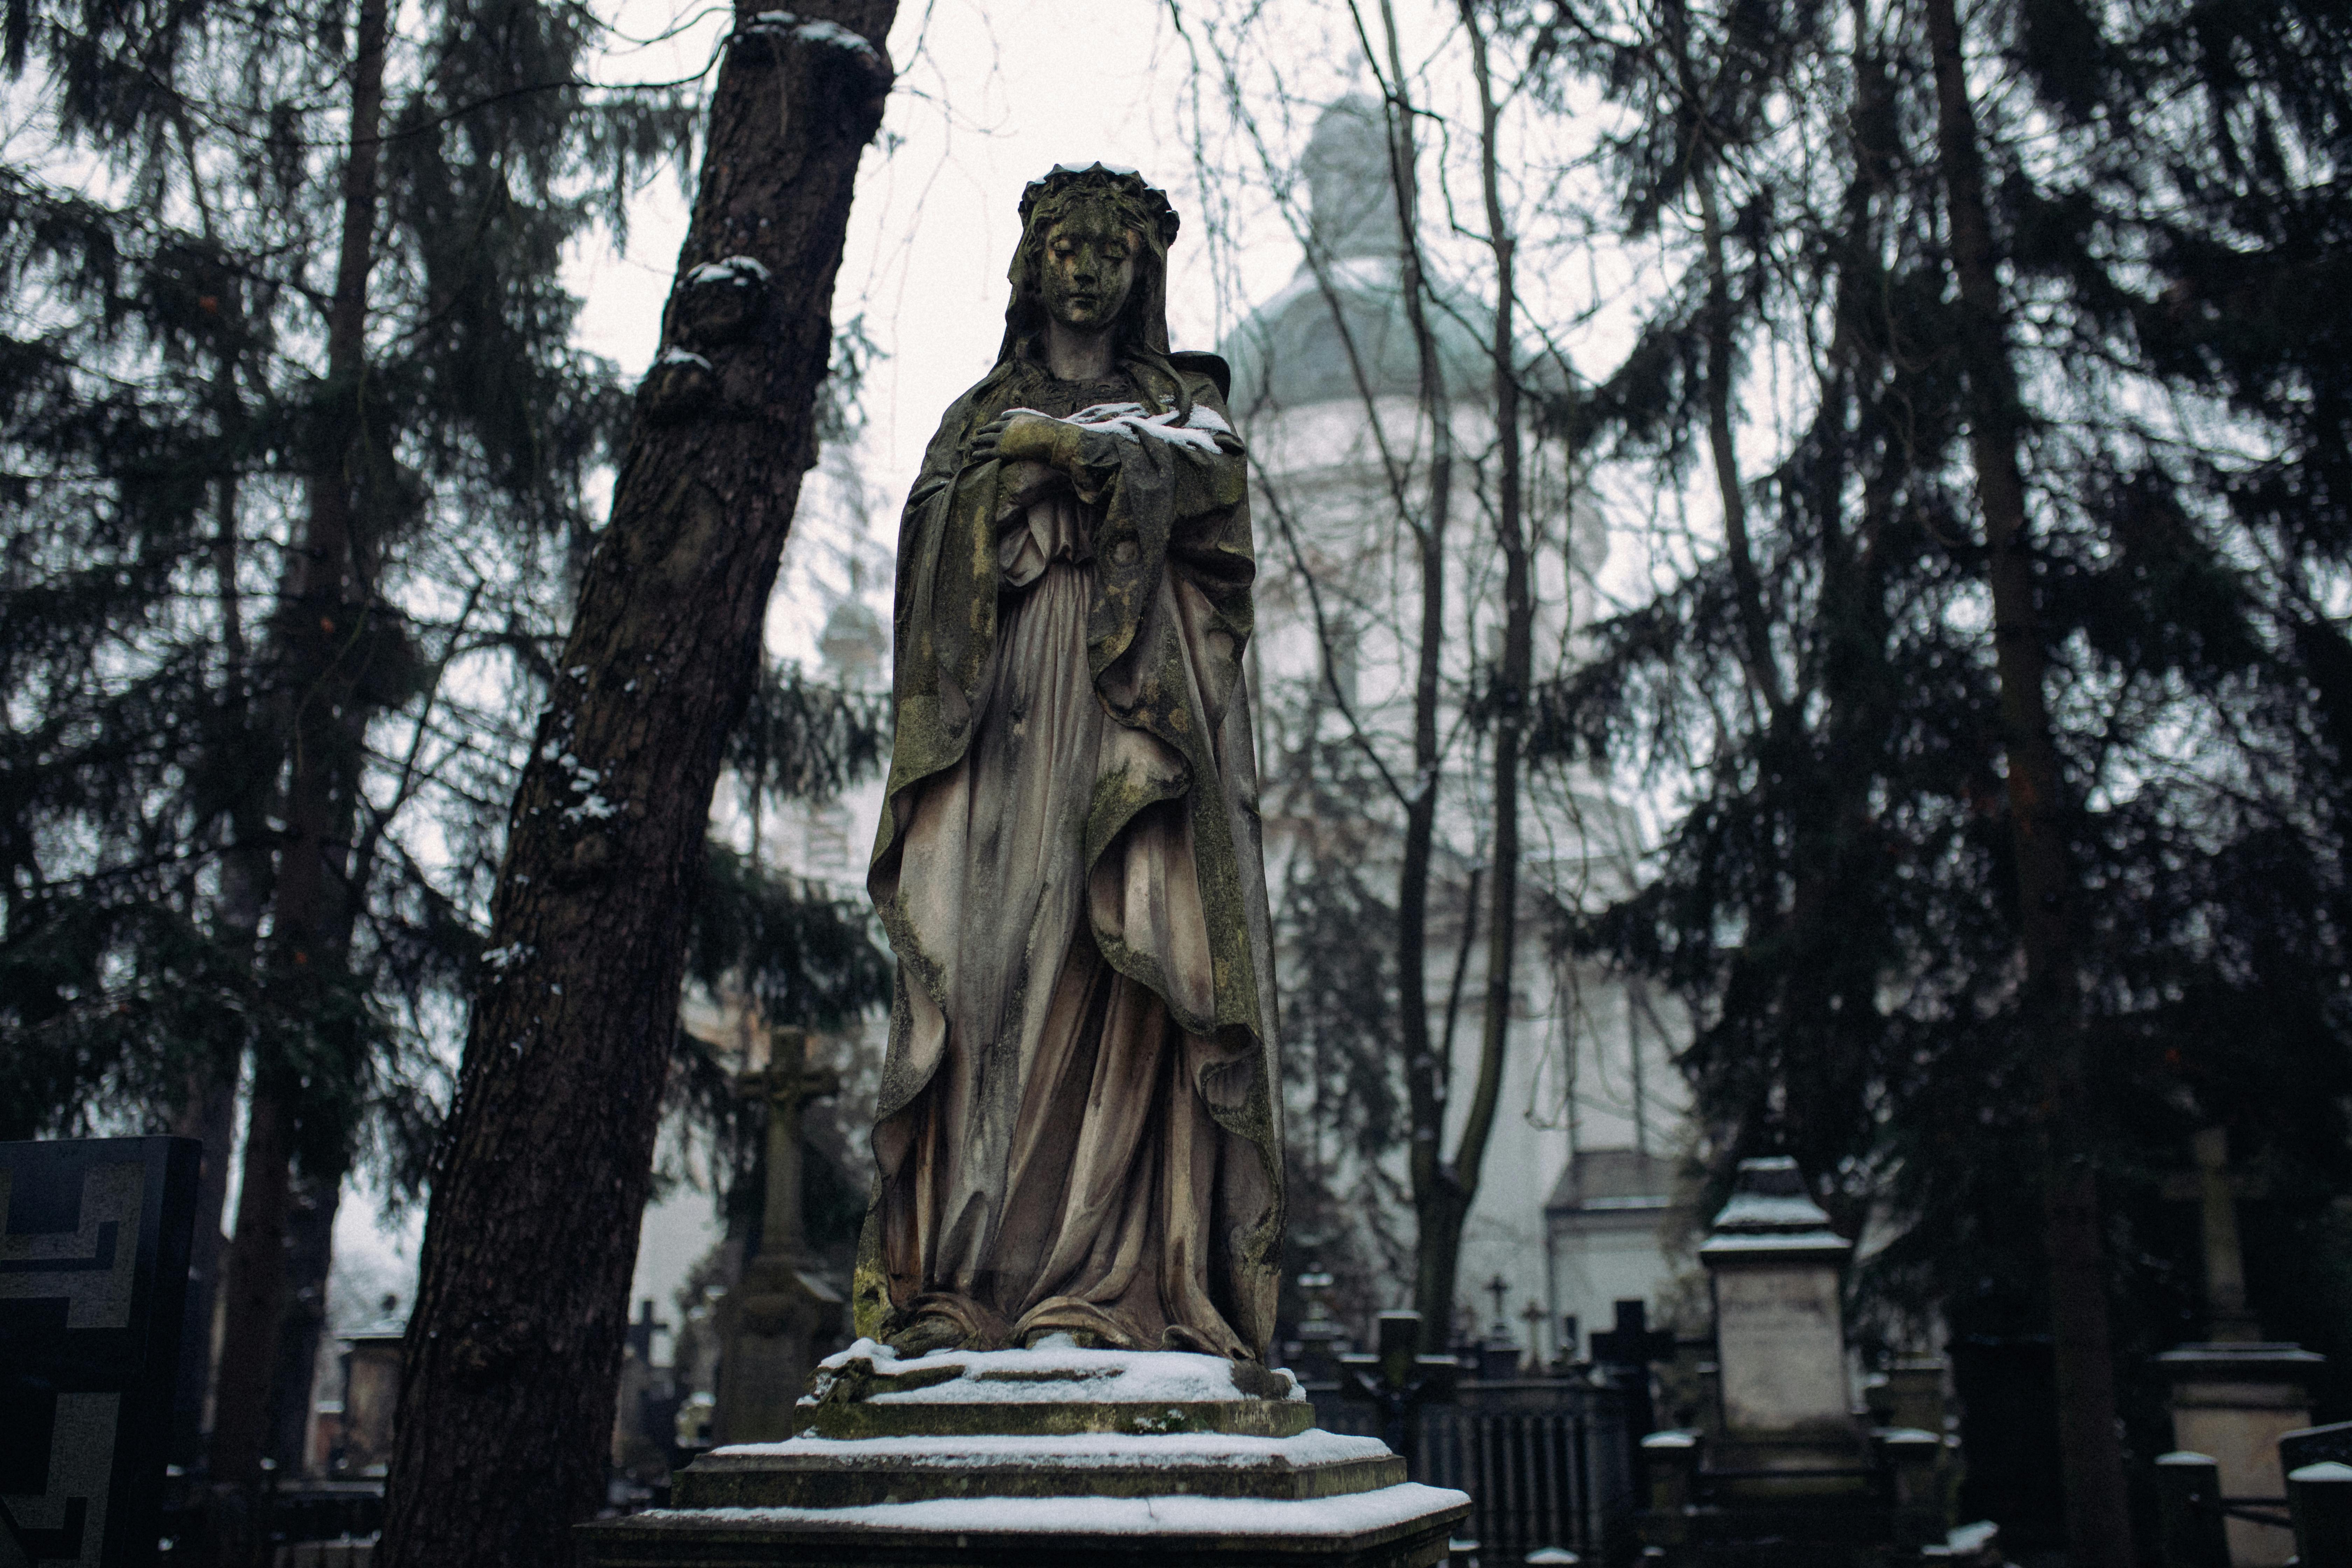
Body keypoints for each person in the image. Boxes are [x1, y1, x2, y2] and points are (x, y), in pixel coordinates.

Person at [854, 164, 1282, 1362]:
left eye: (1111, 251)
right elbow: (930, 555)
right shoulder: (972, 418)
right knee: (991, 984)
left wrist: (1075, 454)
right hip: (998, 743)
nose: (1086, 269)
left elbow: (1216, 506)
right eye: (1065, 247)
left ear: (1144, 273)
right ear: (1031, 265)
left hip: (1130, 738)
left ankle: (1107, 1285)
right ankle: (967, 1285)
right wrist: (1013, 470)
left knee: (1124, 973)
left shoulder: (1185, 406)